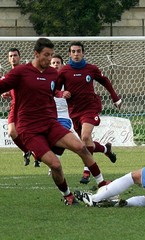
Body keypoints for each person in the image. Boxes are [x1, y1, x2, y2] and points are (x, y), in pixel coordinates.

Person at [0, 38, 109, 206]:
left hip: (50, 123)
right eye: (46, 55)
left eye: (51, 55)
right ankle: (67, 195)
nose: (49, 59)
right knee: (56, 165)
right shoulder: (21, 72)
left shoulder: (52, 73)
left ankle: (102, 184)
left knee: (81, 147)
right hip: (29, 129)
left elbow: (54, 91)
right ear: (36, 54)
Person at [56, 41, 122, 184]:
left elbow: (105, 81)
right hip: (74, 111)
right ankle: (106, 149)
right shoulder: (64, 71)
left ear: (83, 53)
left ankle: (87, 171)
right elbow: (53, 90)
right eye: (73, 51)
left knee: (85, 137)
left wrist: (115, 98)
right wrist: (61, 93)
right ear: (69, 54)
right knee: (84, 143)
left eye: (78, 51)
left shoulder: (91, 69)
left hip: (90, 108)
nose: (76, 54)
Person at [1, 48, 34, 166]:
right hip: (15, 106)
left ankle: (40, 154)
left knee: (30, 133)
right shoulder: (10, 74)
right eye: (10, 56)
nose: (13, 58)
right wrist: (8, 93)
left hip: (27, 107)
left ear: (19, 57)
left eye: (15, 55)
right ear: (8, 59)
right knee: (12, 132)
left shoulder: (25, 72)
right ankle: (27, 151)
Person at [48, 54, 72, 175]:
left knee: (62, 138)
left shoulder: (68, 80)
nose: (56, 64)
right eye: (53, 63)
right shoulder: (46, 80)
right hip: (49, 116)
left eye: (58, 62)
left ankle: (54, 162)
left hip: (64, 116)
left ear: (62, 65)